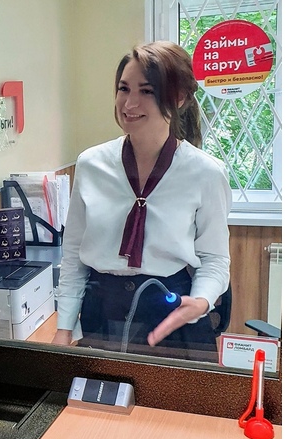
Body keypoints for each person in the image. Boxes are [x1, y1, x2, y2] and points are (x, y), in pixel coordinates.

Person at [51, 41, 231, 358]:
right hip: (101, 314)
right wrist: (64, 329)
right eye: (124, 88)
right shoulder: (91, 164)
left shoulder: (206, 173)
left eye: (146, 91)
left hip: (174, 318)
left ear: (179, 97)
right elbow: (74, 255)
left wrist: (201, 301)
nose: (129, 103)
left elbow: (215, 260)